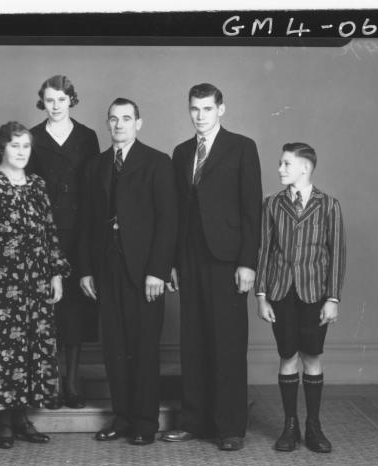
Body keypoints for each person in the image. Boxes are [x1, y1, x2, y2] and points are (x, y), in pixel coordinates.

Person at [161, 83, 262, 451]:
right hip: (190, 259)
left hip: (228, 261)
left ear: (222, 109)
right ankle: (196, 421)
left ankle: (230, 427)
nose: (200, 116)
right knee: (195, 342)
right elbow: (176, 213)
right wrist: (172, 262)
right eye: (194, 109)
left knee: (228, 344)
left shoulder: (242, 147)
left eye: (207, 109)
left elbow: (253, 211)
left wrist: (247, 263)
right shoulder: (181, 151)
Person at [0, 121, 70, 449]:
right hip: (0, 282)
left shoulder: (37, 184)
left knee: (29, 350)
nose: (22, 152)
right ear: (2, 148)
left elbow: (49, 230)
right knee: (1, 351)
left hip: (34, 282)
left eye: (26, 146)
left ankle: (22, 418)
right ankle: (3, 422)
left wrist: (55, 272)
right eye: (15, 146)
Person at [78, 98, 177, 446]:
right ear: (107, 123)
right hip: (107, 268)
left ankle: (145, 422)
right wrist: (86, 271)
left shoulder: (157, 162)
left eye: (126, 118)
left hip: (144, 272)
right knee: (114, 348)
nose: (119, 125)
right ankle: (121, 418)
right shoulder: (97, 165)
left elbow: (168, 221)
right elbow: (88, 223)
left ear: (139, 122)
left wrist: (157, 271)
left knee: (144, 348)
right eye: (114, 119)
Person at [255, 143, 346, 453]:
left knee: (311, 355)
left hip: (314, 294)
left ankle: (314, 425)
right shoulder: (271, 204)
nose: (279, 169)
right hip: (281, 292)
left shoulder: (329, 205)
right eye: (280, 163)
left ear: (305, 168)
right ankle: (290, 425)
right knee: (287, 354)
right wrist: (262, 296)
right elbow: (264, 251)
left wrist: (332, 298)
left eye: (286, 164)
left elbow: (336, 255)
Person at [28, 75, 100, 409]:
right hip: (43, 234)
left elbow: (97, 188)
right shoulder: (32, 137)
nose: (56, 106)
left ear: (71, 99)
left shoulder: (87, 137)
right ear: (43, 102)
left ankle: (72, 382)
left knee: (75, 312)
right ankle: (51, 382)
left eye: (61, 99)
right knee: (48, 311)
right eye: (50, 100)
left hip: (80, 234)